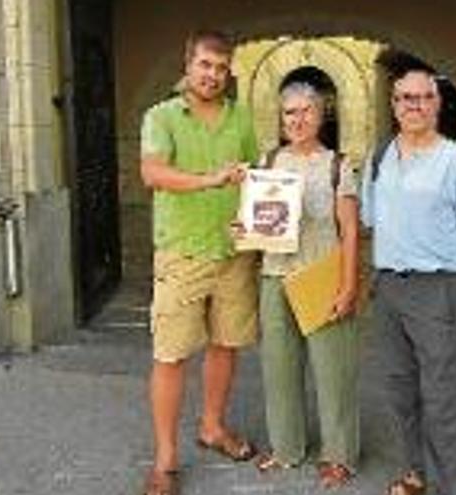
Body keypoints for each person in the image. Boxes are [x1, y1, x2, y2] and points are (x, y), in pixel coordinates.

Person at [360, 68, 456, 495]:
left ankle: (450, 485)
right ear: (394, 104)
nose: (414, 105)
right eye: (405, 98)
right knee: (401, 389)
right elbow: (370, 219)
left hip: (437, 287)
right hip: (388, 287)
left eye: (424, 97)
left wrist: (445, 266)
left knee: (442, 396)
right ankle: (416, 472)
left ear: (438, 103)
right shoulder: (381, 156)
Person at [138, 29, 259, 495]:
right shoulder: (162, 116)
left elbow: (253, 177)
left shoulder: (241, 117)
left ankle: (212, 427)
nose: (212, 74)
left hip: (232, 253)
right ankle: (165, 458)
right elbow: (153, 173)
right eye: (205, 65)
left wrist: (255, 221)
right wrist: (211, 180)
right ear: (187, 66)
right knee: (170, 354)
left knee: (226, 344)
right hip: (183, 252)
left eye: (221, 67)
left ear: (229, 73)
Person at [243, 82, 360, 489]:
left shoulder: (337, 165)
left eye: (305, 111)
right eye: (289, 113)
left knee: (333, 371)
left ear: (320, 115)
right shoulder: (269, 160)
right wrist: (243, 228)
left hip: (321, 274)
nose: (297, 119)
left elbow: (349, 231)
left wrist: (347, 287)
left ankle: (339, 455)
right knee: (278, 367)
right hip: (275, 277)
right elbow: (256, 222)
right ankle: (287, 448)